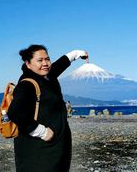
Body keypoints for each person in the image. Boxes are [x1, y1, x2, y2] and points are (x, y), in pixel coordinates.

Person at [7, 44, 88, 172]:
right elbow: (15, 112)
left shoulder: (47, 76)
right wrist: (41, 132)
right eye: (40, 60)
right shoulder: (27, 84)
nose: (45, 63)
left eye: (47, 59)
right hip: (38, 151)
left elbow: (59, 65)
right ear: (28, 63)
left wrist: (76, 54)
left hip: (54, 149)